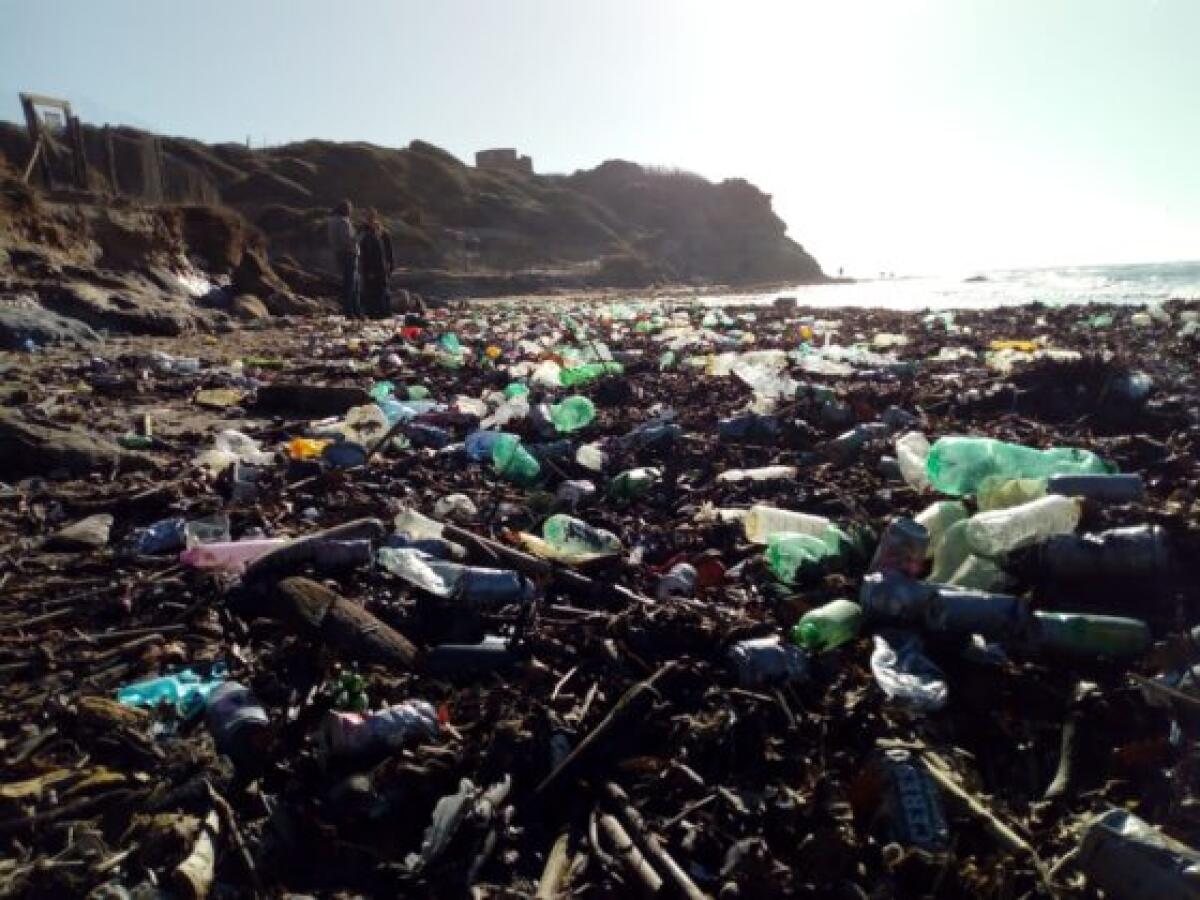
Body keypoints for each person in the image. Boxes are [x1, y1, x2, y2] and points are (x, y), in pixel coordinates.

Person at [326, 200, 361, 318]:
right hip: (349, 254)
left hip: (339, 254)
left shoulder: (331, 221)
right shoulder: (343, 222)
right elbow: (348, 240)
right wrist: (358, 236)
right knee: (352, 284)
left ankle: (353, 311)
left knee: (349, 283)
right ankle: (351, 312)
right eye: (350, 209)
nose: (351, 211)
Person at [358, 209, 394, 319]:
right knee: (374, 290)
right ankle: (375, 312)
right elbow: (365, 253)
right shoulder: (365, 233)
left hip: (379, 267)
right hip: (373, 268)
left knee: (381, 290)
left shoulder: (382, 233)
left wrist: (390, 264)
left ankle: (382, 312)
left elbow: (387, 251)